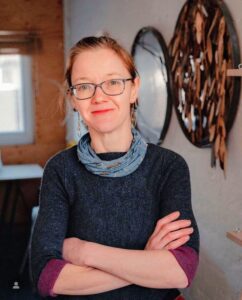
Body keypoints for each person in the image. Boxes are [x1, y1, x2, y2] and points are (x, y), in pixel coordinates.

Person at [31, 35, 199, 300]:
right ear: (74, 99)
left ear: (134, 89)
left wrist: (85, 252)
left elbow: (181, 269)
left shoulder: (169, 167)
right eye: (85, 86)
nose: (99, 97)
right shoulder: (60, 170)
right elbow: (46, 276)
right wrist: (146, 261)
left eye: (113, 82)